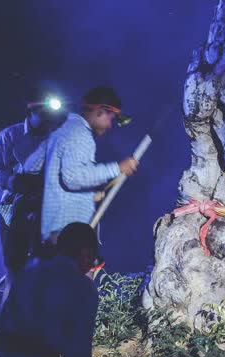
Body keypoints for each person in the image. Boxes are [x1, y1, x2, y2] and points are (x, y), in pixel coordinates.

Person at [0, 222, 129, 357]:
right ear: (85, 254)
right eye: (92, 260)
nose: (91, 267)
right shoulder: (82, 287)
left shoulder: (27, 275)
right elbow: (79, 352)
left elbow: (4, 326)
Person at [21, 86, 138, 245]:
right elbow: (72, 177)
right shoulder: (80, 133)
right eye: (111, 119)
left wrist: (88, 194)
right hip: (69, 234)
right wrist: (117, 168)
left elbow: (30, 166)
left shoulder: (60, 131)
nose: (110, 126)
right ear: (99, 111)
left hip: (53, 232)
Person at [0, 88, 65, 301]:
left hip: (45, 211)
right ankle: (9, 318)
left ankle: (40, 317)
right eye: (44, 114)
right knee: (14, 270)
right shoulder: (10, 136)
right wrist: (11, 181)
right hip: (12, 209)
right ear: (31, 111)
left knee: (46, 268)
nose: (48, 120)